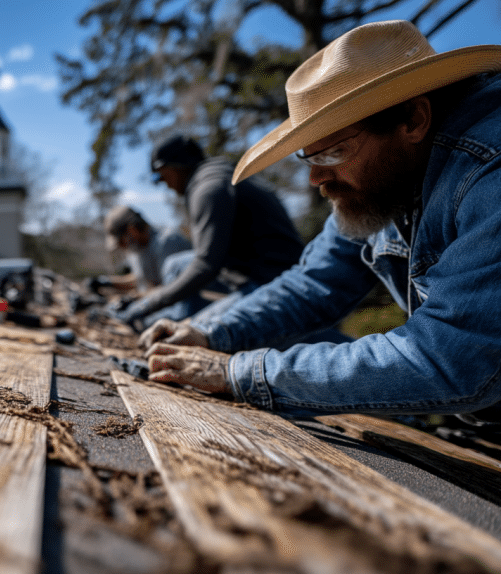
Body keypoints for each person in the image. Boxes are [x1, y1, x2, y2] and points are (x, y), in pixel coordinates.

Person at [142, 20, 501, 421]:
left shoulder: (491, 173)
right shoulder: (384, 179)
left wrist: (239, 372)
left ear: (413, 120)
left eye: (333, 153)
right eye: (310, 157)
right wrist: (214, 333)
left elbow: (450, 357)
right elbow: (314, 282)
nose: (316, 179)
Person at [111, 134, 304, 330]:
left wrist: (147, 305)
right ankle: (179, 314)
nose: (163, 183)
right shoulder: (210, 176)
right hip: (245, 270)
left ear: (177, 165)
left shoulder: (208, 188)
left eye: (160, 175)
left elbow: (206, 265)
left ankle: (180, 320)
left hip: (272, 282)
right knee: (176, 265)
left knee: (194, 332)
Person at [95, 205, 190, 294]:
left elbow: (172, 290)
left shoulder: (167, 242)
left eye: (121, 242)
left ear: (132, 230)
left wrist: (137, 299)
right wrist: (106, 282)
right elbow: (139, 280)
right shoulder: (136, 251)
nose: (122, 247)